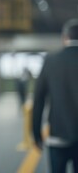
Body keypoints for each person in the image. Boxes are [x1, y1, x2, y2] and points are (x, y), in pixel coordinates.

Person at [32, 18, 78, 173]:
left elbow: (38, 99)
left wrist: (36, 134)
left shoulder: (51, 61)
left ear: (65, 38)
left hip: (57, 136)